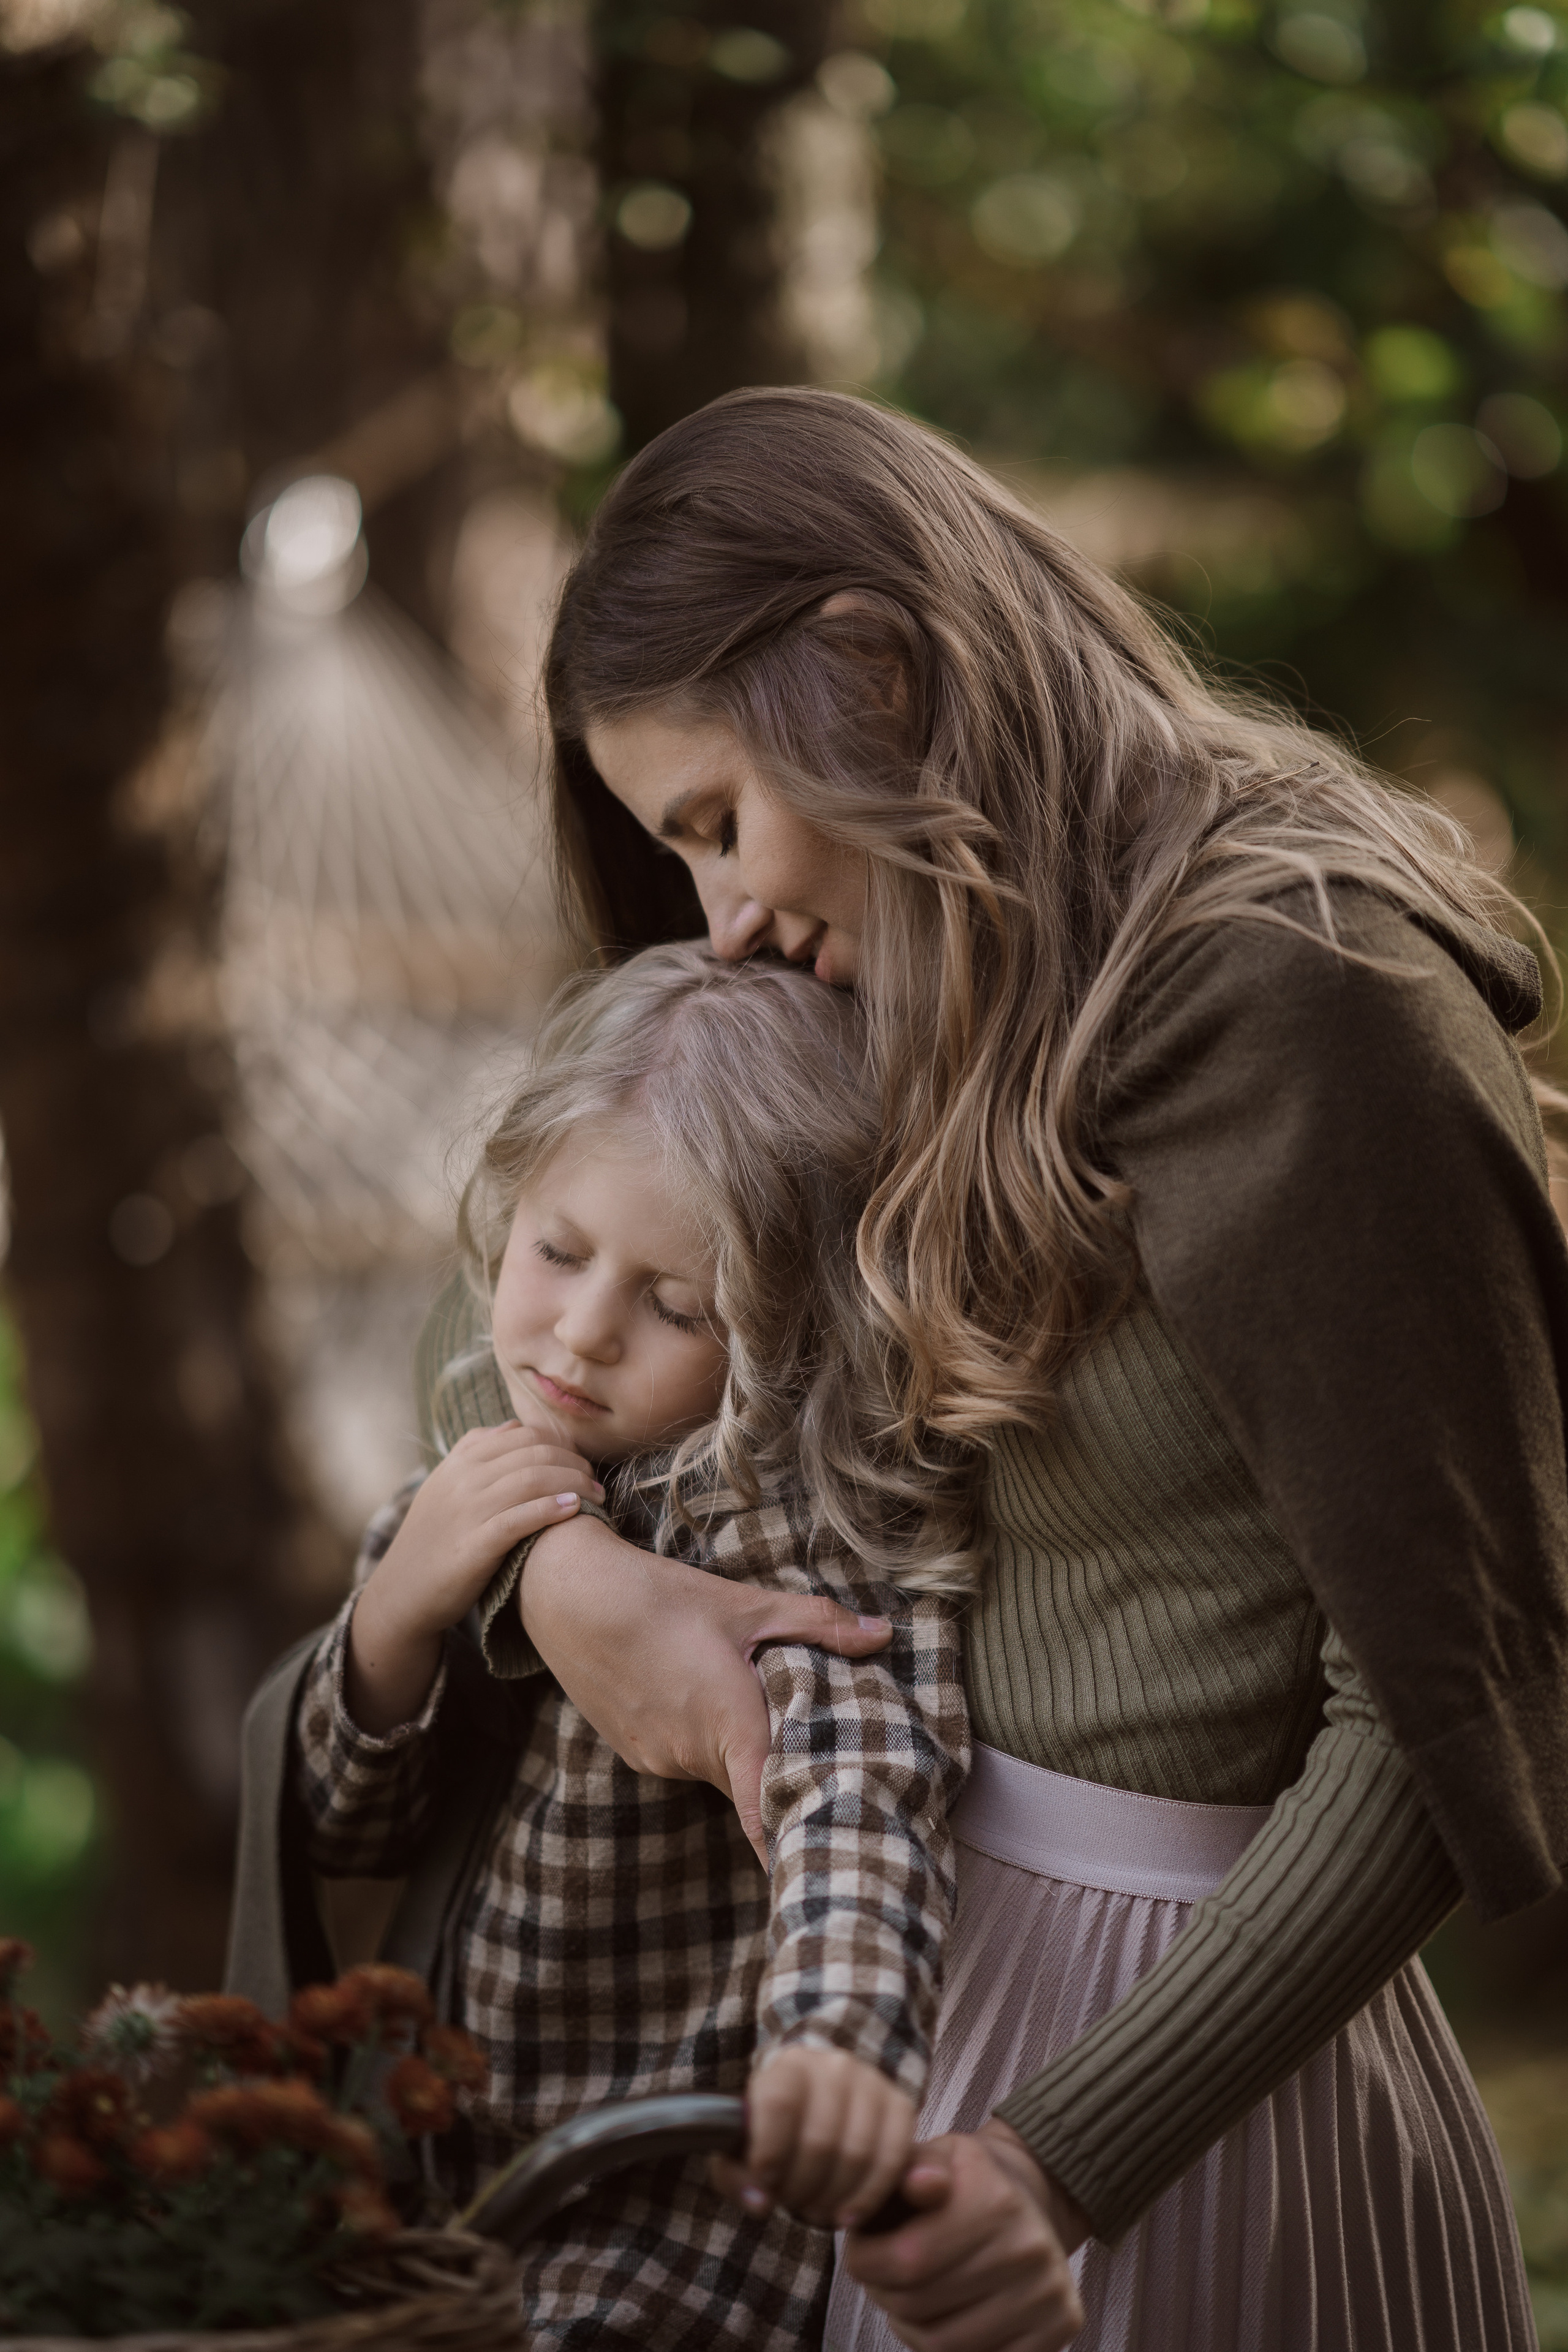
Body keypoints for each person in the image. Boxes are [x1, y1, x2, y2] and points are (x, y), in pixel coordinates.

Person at [489, 386, 1567, 2350]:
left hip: (1186, 2079)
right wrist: (578, 1579)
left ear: (871, 669)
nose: (723, 913)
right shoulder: (947, 995)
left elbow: (1451, 1696)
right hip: (908, 2004)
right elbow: (595, 1328)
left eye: (723, 822)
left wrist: (1065, 2158)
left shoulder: (1310, 996)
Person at [281, 943, 970, 2350]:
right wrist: (402, 1605)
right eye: (556, 1251)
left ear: (792, 1335)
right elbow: (347, 1817)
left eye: (675, 1309)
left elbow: (855, 1796)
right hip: (449, 2171)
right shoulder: (473, 1486)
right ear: (506, 1206)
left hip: (661, 2204)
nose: (581, 1334)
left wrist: (838, 2046)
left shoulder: (777, 1546)